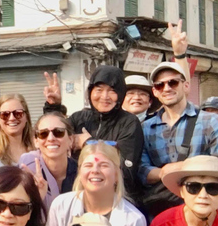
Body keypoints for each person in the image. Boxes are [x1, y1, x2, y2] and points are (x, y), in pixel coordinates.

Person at [139, 61, 218, 218]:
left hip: (203, 213)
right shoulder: (145, 127)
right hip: (160, 213)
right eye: (160, 85)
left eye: (173, 82)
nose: (167, 88)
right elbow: (141, 170)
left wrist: (189, 168)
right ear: (155, 92)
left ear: (185, 86)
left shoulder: (211, 122)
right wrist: (165, 171)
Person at [43, 65, 144, 201]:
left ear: (120, 94)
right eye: (99, 90)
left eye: (112, 91)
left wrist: (88, 143)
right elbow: (53, 135)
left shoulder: (129, 123)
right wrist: (53, 107)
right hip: (78, 196)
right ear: (90, 91)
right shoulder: (79, 118)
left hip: (116, 200)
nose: (104, 96)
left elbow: (127, 172)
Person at [17, 112, 77, 210]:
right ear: (36, 141)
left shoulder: (82, 173)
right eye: (43, 134)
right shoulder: (26, 171)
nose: (51, 138)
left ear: (70, 140)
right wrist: (36, 198)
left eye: (58, 132)